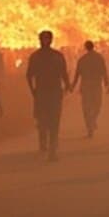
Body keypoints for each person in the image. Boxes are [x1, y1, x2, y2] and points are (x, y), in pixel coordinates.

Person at [25, 30, 71, 161]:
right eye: (43, 38)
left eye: (47, 38)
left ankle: (52, 148)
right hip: (41, 92)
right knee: (42, 119)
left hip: (54, 92)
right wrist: (33, 91)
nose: (45, 41)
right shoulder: (36, 56)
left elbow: (64, 73)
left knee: (54, 120)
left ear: (51, 40)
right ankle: (43, 141)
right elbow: (29, 75)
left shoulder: (57, 56)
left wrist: (67, 86)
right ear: (40, 40)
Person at [76, 40, 109, 138]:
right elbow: (104, 71)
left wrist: (72, 86)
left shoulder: (82, 59)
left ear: (85, 47)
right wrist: (106, 83)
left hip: (86, 85)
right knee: (97, 104)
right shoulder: (99, 58)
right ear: (93, 47)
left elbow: (77, 74)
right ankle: (93, 120)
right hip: (96, 85)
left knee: (86, 107)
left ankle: (89, 125)